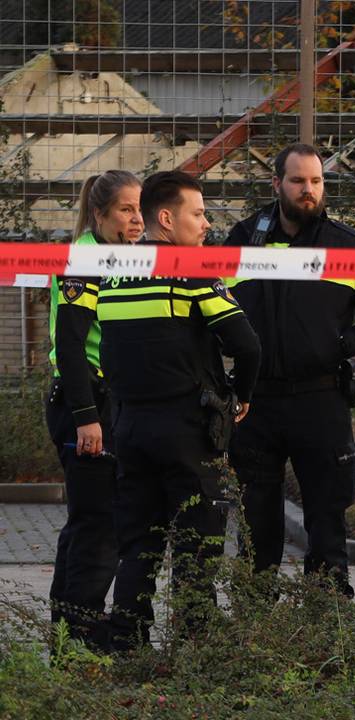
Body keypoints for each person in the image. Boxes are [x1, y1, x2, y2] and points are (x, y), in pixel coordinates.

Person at [224, 143, 355, 596]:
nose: (309, 190)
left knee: (326, 519)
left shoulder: (346, 245)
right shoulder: (243, 239)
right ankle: (253, 624)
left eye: (316, 181)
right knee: (255, 523)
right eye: (298, 181)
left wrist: (340, 346)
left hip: (320, 400)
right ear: (276, 184)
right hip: (254, 402)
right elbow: (211, 309)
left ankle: (328, 622)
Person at [100, 171, 261, 651]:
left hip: (128, 427)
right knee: (199, 543)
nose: (207, 223)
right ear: (166, 219)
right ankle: (195, 648)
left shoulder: (112, 272)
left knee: (138, 547)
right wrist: (240, 395)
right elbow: (247, 346)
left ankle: (128, 643)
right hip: (187, 430)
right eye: (198, 213)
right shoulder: (192, 272)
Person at [46, 170, 143, 650]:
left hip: (98, 403)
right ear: (100, 213)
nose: (137, 219)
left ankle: (67, 630)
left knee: (87, 522)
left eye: (140, 209)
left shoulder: (111, 254)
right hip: (86, 403)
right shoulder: (88, 258)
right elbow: (69, 343)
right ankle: (82, 637)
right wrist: (87, 416)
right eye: (126, 209)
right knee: (100, 527)